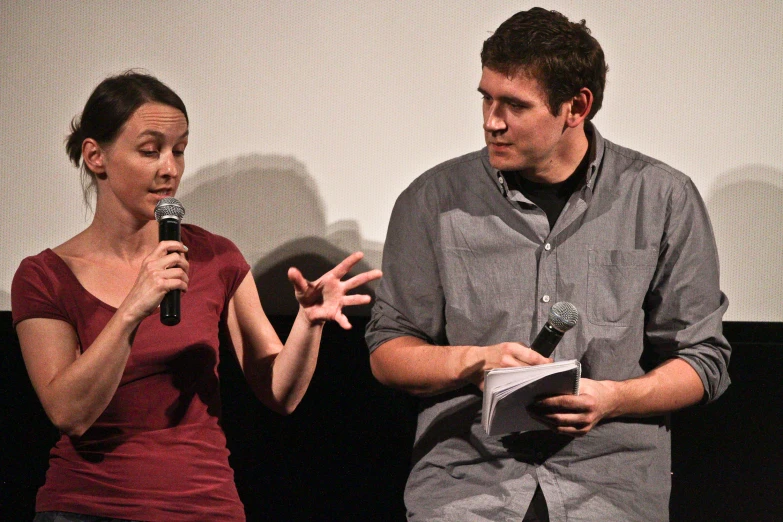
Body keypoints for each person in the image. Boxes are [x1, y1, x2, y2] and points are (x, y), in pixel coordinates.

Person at [366, 7, 730, 522]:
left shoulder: (661, 198)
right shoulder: (433, 201)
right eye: (486, 98)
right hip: (468, 483)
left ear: (575, 106)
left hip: (610, 486)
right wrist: (473, 362)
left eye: (514, 105)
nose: (492, 120)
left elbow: (704, 358)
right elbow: (388, 351)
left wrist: (612, 399)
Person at [11, 71, 382, 522]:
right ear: (95, 156)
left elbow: (280, 393)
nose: (169, 168)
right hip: (87, 507)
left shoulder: (215, 257)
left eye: (179, 150)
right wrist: (133, 308)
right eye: (150, 151)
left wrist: (309, 324)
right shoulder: (44, 276)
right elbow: (70, 412)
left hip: (204, 507)